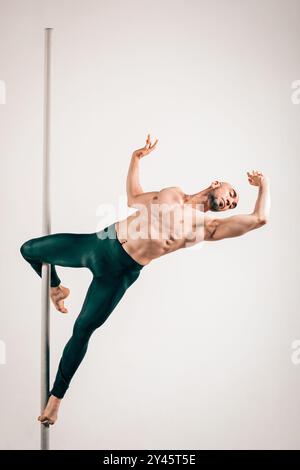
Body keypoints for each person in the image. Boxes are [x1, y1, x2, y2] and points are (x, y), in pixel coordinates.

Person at [20, 134, 270, 425]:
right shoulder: (171, 193)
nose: (231, 201)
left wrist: (263, 186)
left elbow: (259, 219)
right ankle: (56, 288)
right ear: (216, 183)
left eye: (233, 204)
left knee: (82, 329)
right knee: (29, 250)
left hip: (119, 273)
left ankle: (55, 401)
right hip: (99, 245)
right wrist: (135, 159)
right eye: (232, 193)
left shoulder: (209, 226)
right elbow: (133, 198)